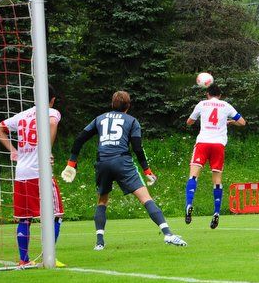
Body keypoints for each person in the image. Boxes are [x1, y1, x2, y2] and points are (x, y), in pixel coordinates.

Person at [61, 91, 186, 250]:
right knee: (145, 198)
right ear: (128, 106)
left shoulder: (100, 118)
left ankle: (99, 243)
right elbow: (137, 148)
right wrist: (147, 171)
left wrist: (71, 163)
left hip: (103, 162)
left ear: (112, 104)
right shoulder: (132, 121)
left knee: (102, 201)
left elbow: (80, 139)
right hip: (122, 162)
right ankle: (168, 234)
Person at [0, 86, 65, 267]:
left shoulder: (22, 115)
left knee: (25, 218)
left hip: (21, 174)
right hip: (39, 172)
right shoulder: (52, 112)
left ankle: (23, 259)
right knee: (56, 215)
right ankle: (49, 257)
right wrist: (46, 150)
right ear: (52, 99)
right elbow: (52, 123)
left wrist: (13, 151)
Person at [184, 84, 246, 229]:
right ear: (220, 95)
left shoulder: (202, 104)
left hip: (203, 143)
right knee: (217, 180)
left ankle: (189, 204)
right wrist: (230, 122)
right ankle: (216, 212)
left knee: (193, 176)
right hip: (218, 145)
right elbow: (242, 122)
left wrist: (198, 120)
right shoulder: (226, 105)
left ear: (207, 94)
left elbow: (189, 122)